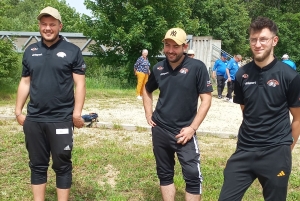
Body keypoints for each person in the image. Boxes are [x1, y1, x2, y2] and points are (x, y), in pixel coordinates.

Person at [219, 17, 300, 201]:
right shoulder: (242, 74)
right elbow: (246, 110)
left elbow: (297, 119)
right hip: (245, 149)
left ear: (274, 41)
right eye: (253, 39)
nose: (257, 44)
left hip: (275, 152)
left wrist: (286, 149)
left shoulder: (290, 76)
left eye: (263, 39)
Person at [15, 6, 86, 201]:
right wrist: (18, 111)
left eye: (52, 24)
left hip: (61, 119)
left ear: (59, 26)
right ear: (39, 26)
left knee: (62, 165)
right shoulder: (31, 51)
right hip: (35, 119)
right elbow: (25, 82)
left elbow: (79, 84)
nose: (48, 28)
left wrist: (76, 113)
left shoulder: (72, 51)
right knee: (37, 164)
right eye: (44, 24)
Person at [143, 28, 212, 201]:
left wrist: (192, 128)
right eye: (167, 45)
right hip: (160, 129)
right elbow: (146, 90)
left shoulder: (197, 67)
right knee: (165, 174)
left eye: (175, 46)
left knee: (193, 177)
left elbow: (206, 100)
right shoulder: (158, 68)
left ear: (185, 46)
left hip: (184, 133)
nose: (170, 50)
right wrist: (148, 113)